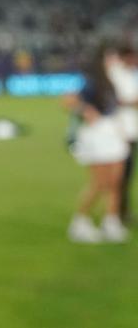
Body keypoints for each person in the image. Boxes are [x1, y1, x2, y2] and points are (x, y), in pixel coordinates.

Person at [67, 45, 129, 243]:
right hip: (97, 134)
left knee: (116, 182)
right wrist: (86, 111)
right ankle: (79, 221)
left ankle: (110, 222)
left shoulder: (112, 79)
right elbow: (68, 100)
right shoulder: (91, 81)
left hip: (113, 132)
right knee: (100, 182)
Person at [107, 44, 138, 223]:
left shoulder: (130, 74)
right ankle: (116, 213)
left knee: (128, 174)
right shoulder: (114, 73)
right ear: (125, 57)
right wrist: (131, 102)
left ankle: (122, 211)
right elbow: (110, 100)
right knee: (119, 176)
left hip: (132, 131)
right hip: (120, 132)